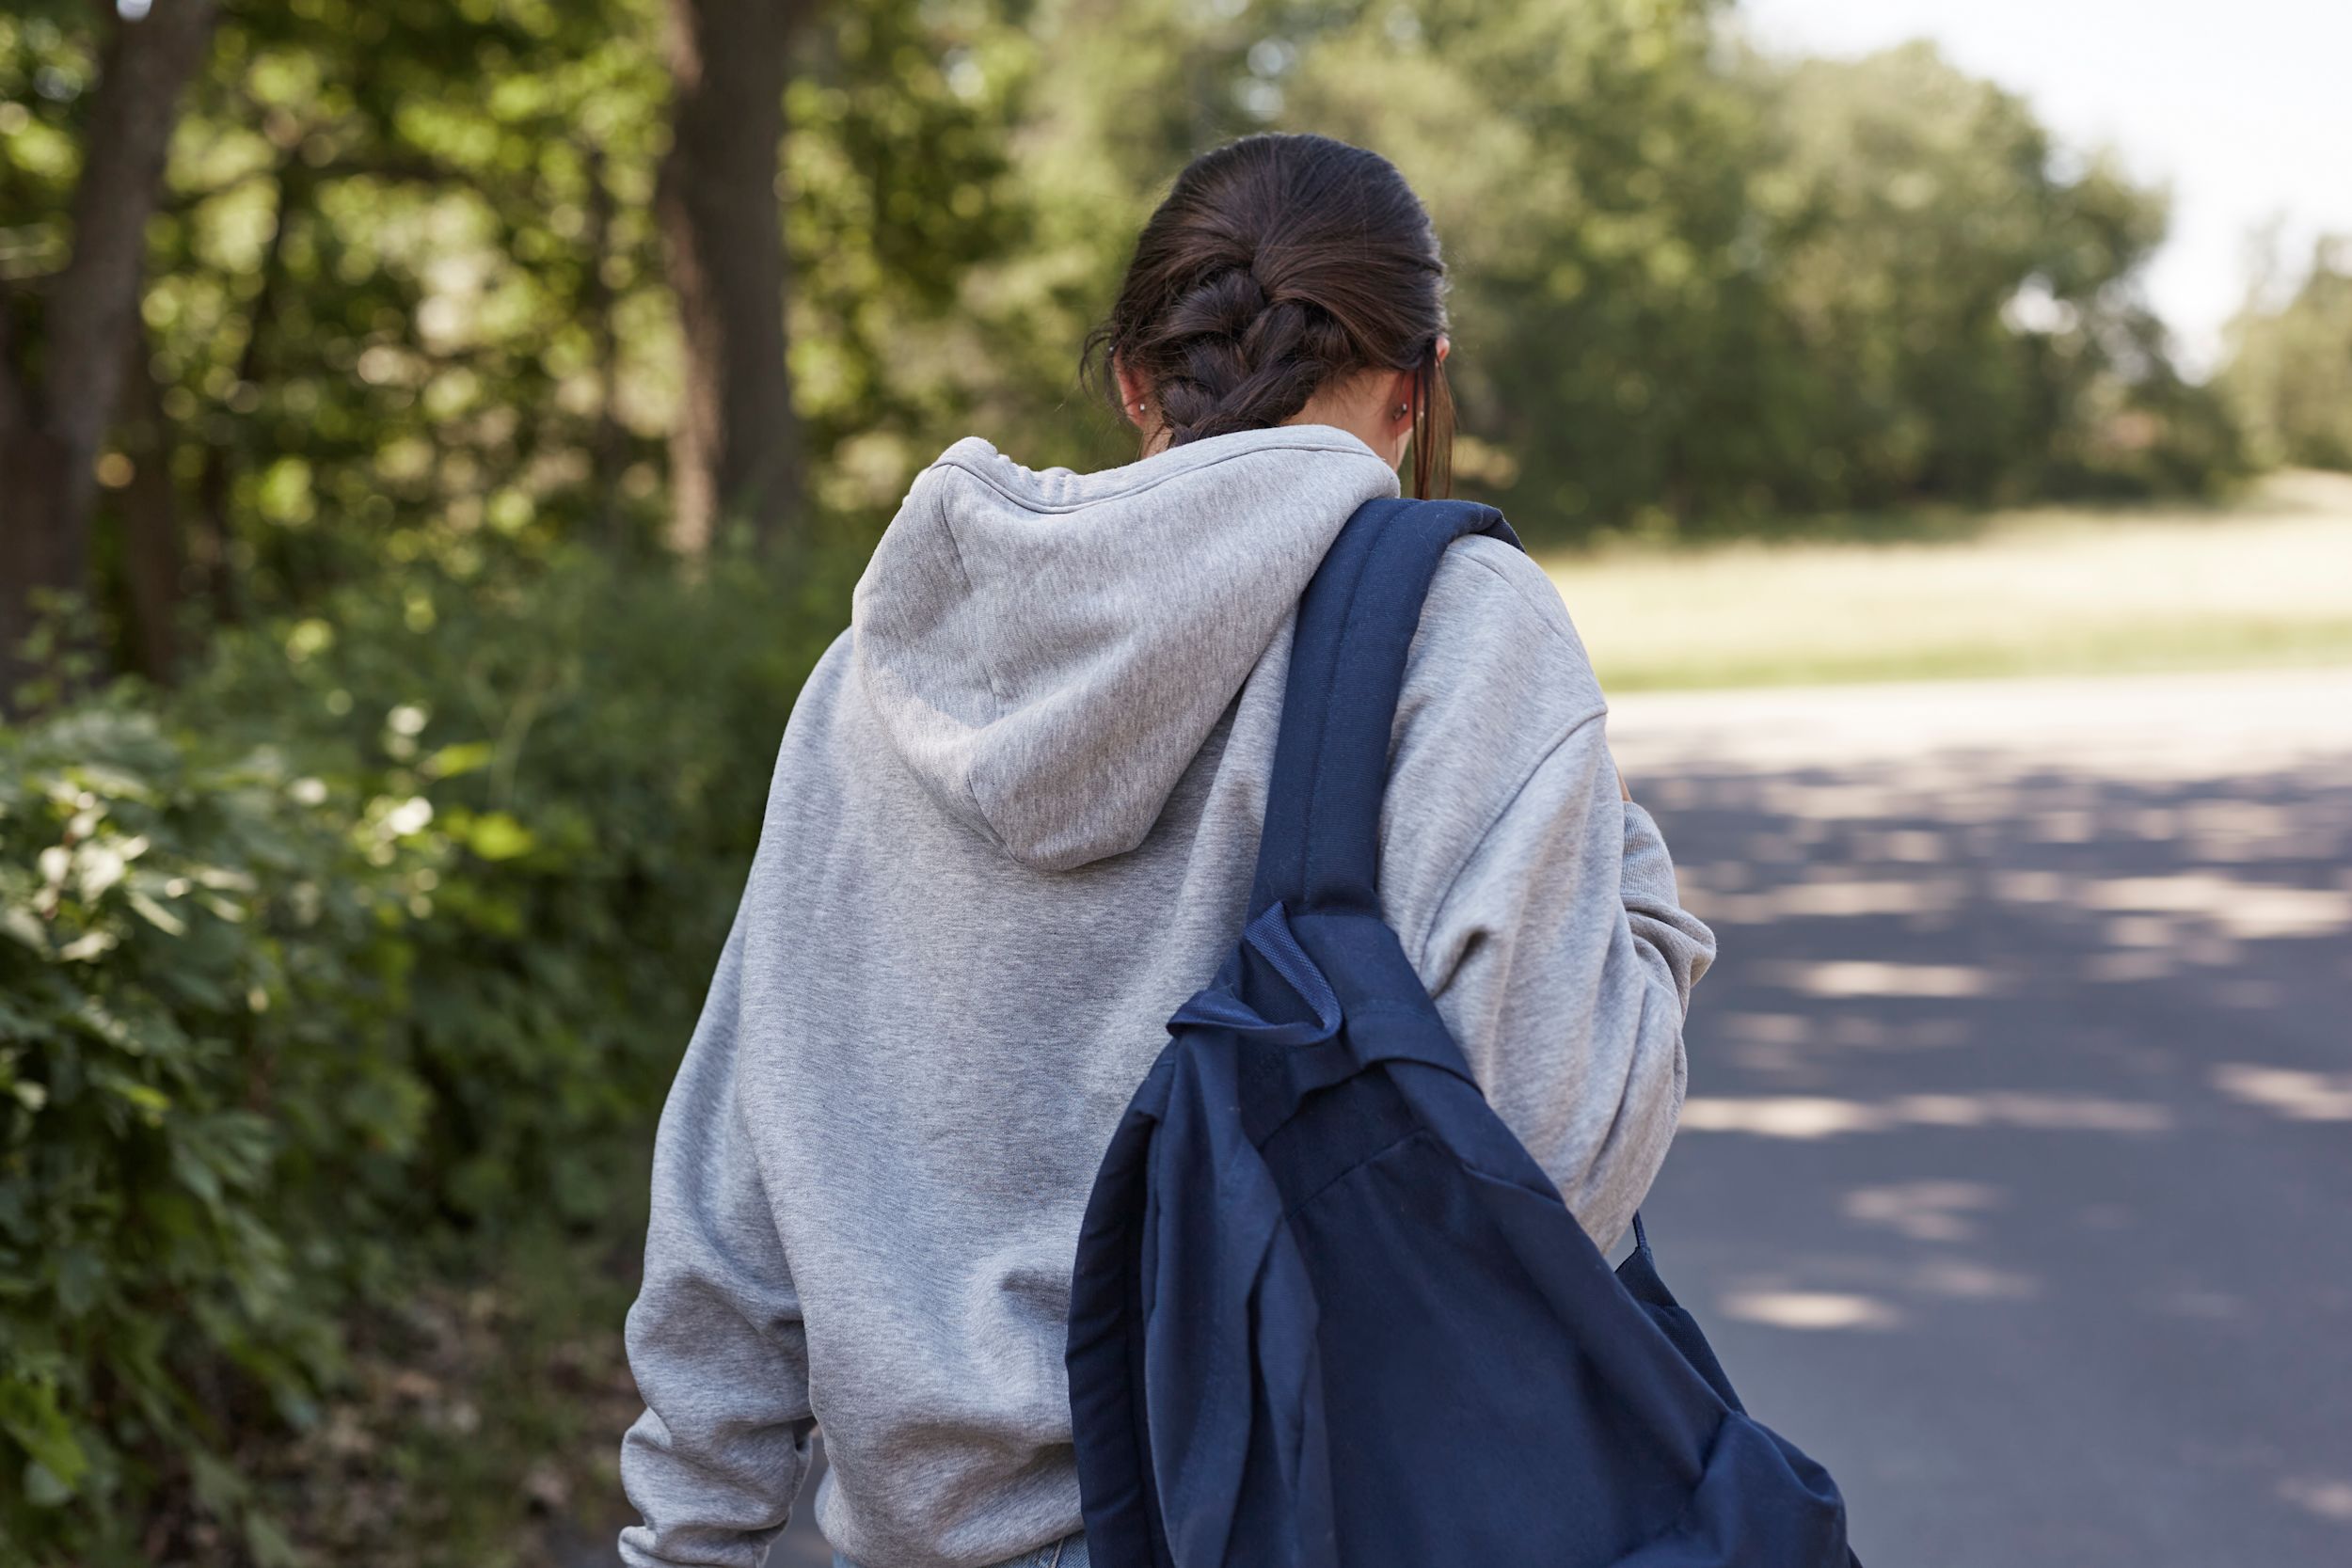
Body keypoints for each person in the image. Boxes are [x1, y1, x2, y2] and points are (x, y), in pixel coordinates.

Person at [615, 131, 1717, 1568]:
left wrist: (687, 1535)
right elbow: (1555, 1163)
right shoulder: (1460, 628)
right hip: (1288, 1522)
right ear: (1415, 384)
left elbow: (735, 1170)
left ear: (1138, 380)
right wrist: (1644, 909)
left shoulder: (881, 677)